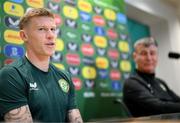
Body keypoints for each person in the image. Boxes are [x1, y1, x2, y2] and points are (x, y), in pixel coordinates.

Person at [0, 8, 83, 123]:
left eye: (53, 29)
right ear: (24, 36)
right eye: (41, 29)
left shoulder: (65, 76)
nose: (50, 35)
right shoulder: (12, 74)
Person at [123, 37, 180, 117]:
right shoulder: (132, 83)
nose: (149, 58)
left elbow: (177, 100)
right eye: (143, 53)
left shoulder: (160, 82)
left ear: (157, 56)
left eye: (152, 53)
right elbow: (157, 107)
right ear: (134, 57)